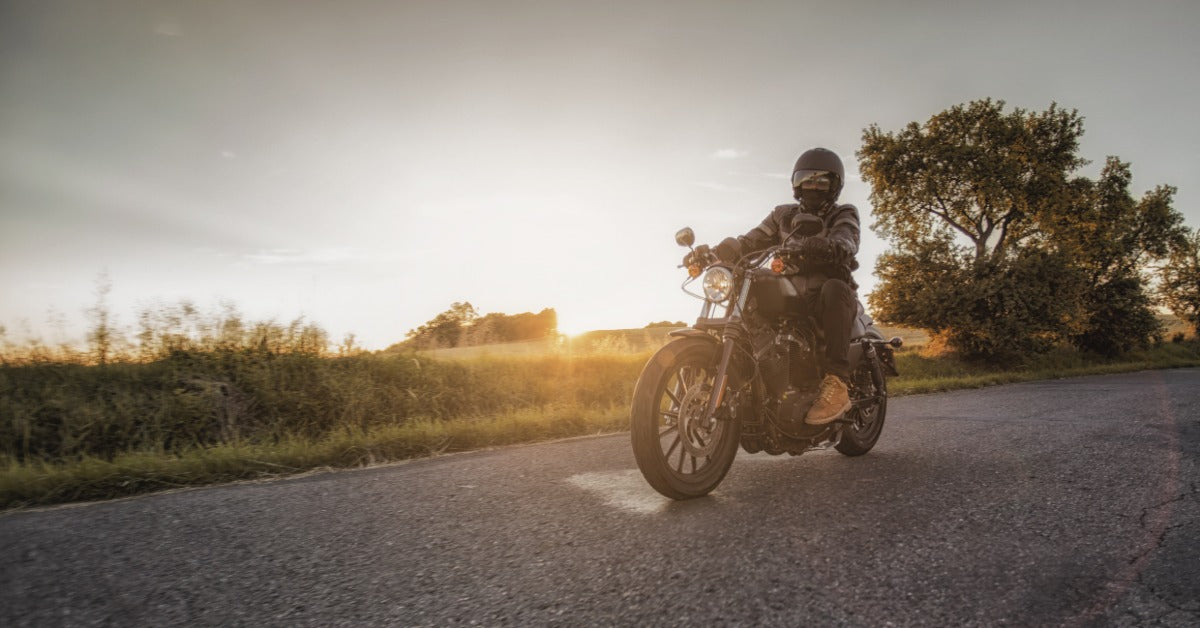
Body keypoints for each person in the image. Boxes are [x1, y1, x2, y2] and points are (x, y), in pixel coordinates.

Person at [687, 147, 861, 425]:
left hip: (825, 294)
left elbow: (847, 241)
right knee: (752, 281)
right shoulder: (783, 215)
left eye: (821, 181)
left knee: (835, 288)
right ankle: (759, 374)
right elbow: (750, 241)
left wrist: (828, 246)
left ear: (834, 186)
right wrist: (717, 253)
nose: (812, 187)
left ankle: (837, 382)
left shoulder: (844, 214)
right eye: (806, 180)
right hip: (790, 291)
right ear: (796, 184)